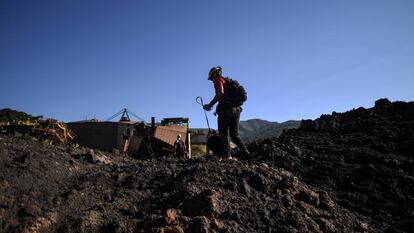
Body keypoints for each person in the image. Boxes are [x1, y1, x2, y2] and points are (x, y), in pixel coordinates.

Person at [203, 66, 250, 158]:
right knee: (234, 135)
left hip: (226, 109)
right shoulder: (229, 82)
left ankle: (227, 156)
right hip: (237, 109)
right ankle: (246, 153)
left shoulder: (218, 79)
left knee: (223, 134)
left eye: (212, 77)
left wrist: (210, 105)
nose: (212, 80)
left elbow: (220, 93)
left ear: (215, 74)